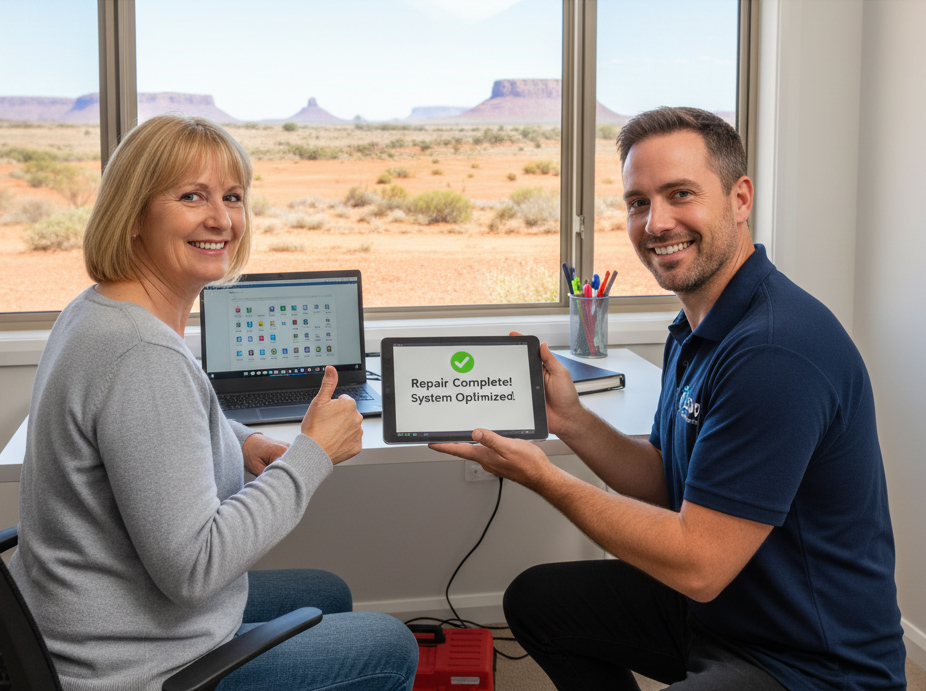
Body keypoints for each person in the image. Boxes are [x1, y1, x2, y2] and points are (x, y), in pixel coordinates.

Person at [431, 107, 905, 689]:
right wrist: (571, 420)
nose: (656, 223)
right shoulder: (697, 328)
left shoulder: (774, 352)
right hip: (720, 611)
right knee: (539, 600)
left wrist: (544, 477)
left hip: (806, 661)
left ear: (740, 198)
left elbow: (700, 564)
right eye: (637, 202)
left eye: (681, 193)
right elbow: (666, 480)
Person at [9, 114, 418, 691]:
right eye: (191, 196)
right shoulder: (143, 354)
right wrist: (312, 456)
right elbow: (195, 570)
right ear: (133, 215)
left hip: (82, 620)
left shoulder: (97, 311)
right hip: (129, 668)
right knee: (388, 647)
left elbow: (144, 426)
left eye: (232, 196)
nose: (221, 219)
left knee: (329, 592)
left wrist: (240, 439)